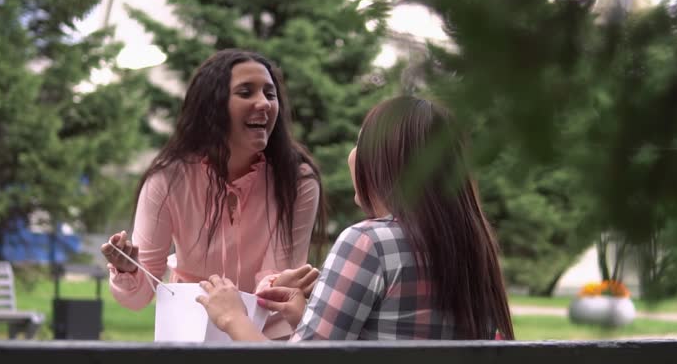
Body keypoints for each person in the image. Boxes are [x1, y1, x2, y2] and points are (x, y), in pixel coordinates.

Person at [197, 96, 515, 341]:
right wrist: (305, 318)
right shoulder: (474, 248)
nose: (354, 154)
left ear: (383, 162)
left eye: (360, 142)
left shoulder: (367, 243)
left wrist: (232, 318)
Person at [100, 49, 325, 336]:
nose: (264, 103)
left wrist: (272, 290)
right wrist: (128, 270)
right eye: (246, 92)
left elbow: (274, 287)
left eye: (270, 94)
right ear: (212, 106)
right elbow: (138, 297)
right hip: (189, 333)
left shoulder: (298, 181)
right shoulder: (167, 180)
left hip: (266, 340)